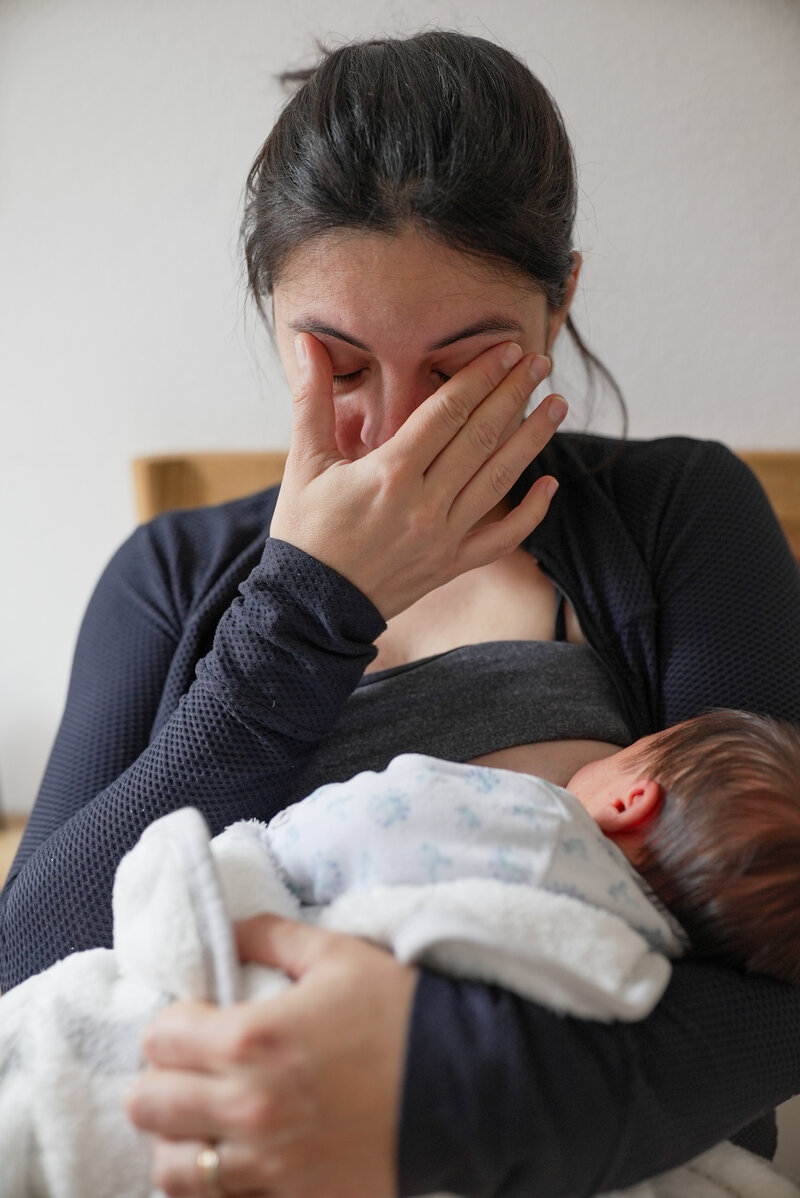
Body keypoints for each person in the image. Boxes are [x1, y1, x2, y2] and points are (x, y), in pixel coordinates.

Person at [2, 27, 800, 1198]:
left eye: (461, 367)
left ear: (560, 296)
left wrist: (435, 1091)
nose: (396, 434)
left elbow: (780, 983)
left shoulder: (677, 512)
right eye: (338, 363)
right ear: (271, 311)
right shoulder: (169, 573)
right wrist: (303, 616)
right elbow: (24, 974)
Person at [3, 708, 799, 1198]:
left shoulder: (539, 819)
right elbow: (22, 941)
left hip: (241, 1019)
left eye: (640, 743)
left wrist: (256, 857)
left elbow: (353, 823)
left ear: (630, 799)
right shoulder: (643, 962)